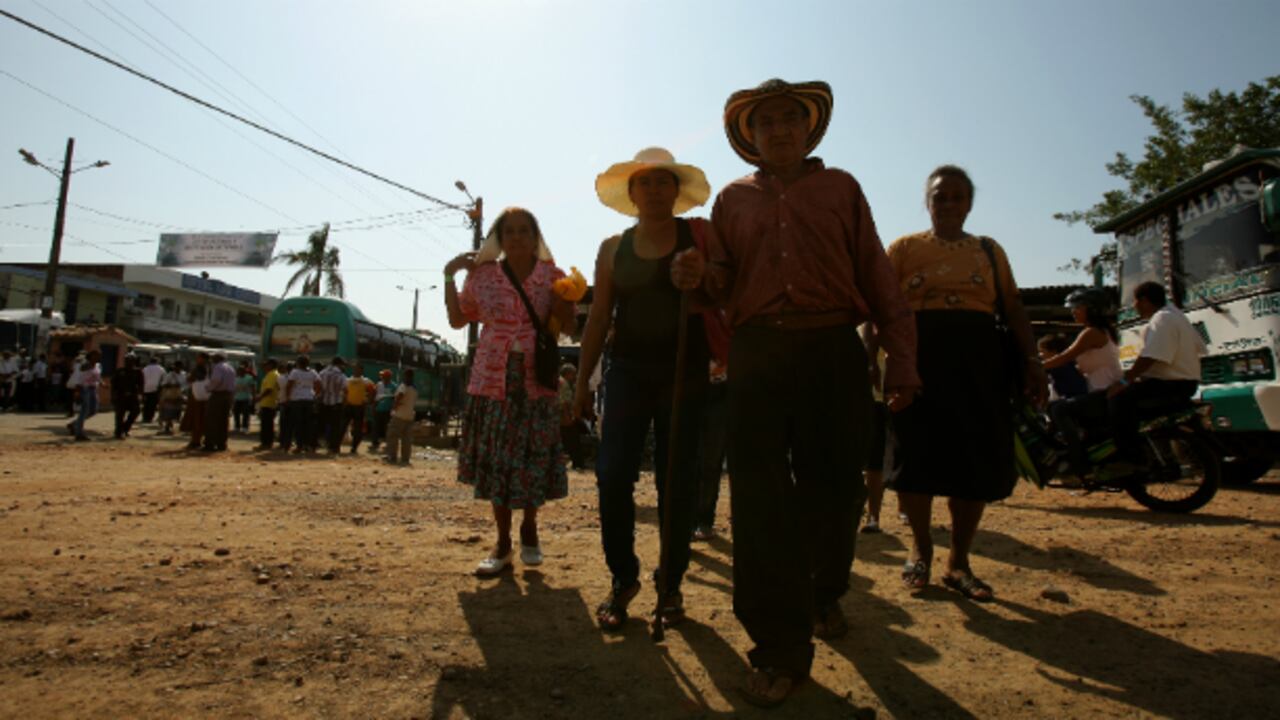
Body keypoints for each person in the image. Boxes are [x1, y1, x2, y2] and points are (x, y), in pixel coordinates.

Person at [700, 79, 920, 707]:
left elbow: (876, 273)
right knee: (760, 498)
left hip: (831, 348)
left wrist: (902, 361)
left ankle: (824, 591)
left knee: (836, 491)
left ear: (808, 127)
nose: (778, 129)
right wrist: (700, 274)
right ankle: (778, 645)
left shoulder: (842, 189)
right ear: (750, 136)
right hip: (758, 353)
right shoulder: (731, 199)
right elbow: (720, 284)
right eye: (765, 122)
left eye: (789, 118)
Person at [884, 165, 1048, 605]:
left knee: (973, 459)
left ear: (970, 204)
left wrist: (1032, 362)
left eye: (957, 197)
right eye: (940, 196)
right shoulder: (903, 248)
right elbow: (882, 306)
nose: (948, 204)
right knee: (914, 454)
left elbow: (1012, 306)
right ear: (927, 202)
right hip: (918, 360)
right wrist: (875, 362)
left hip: (979, 364)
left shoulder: (989, 251)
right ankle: (921, 549)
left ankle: (958, 562)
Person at [571, 147, 719, 630]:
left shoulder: (698, 237)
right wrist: (581, 384)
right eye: (645, 183)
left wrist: (703, 273)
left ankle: (670, 583)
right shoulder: (613, 248)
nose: (654, 190)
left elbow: (725, 286)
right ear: (631, 192)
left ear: (676, 191)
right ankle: (624, 578)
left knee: (677, 481)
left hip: (685, 371)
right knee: (612, 474)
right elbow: (598, 317)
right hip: (628, 372)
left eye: (663, 182)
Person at [444, 206, 575, 577]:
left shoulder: (554, 276)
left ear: (536, 237)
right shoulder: (482, 276)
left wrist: (566, 303)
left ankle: (529, 527)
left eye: (524, 230)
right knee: (498, 459)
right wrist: (449, 274)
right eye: (509, 231)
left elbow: (568, 327)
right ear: (499, 239)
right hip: (492, 379)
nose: (516, 237)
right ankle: (502, 543)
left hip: (536, 379)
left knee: (533, 455)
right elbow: (457, 319)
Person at [1105, 281, 1205, 469]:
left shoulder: (1162, 318)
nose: (1134, 306)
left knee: (1118, 400)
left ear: (1143, 300)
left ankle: (1130, 457)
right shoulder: (1176, 315)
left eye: (1134, 302)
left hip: (1171, 385)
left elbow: (1150, 356)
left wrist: (1124, 381)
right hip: (1185, 383)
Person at [1042, 288, 1123, 475]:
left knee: (1058, 409)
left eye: (1078, 307)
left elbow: (1065, 357)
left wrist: (1036, 367)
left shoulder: (1091, 333)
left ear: (1092, 309)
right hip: (1101, 389)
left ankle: (1077, 462)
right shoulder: (1104, 331)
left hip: (1103, 392)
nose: (1073, 311)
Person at [692, 358, 729, 541]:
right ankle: (689, 521)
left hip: (722, 388)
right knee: (691, 459)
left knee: (711, 461)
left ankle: (704, 520)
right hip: (691, 387)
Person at [283, 356, 321, 453]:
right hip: (309, 399)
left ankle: (299, 446)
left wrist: (287, 397)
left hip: (297, 400)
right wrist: (315, 395)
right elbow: (319, 384)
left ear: (298, 363)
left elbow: (289, 385)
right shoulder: (313, 372)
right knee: (308, 424)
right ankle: (308, 445)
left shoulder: (295, 372)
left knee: (298, 424)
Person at [1038, 334, 1089, 401]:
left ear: (1054, 352)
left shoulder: (1058, 367)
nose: (1039, 355)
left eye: (1042, 351)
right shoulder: (1069, 364)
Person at [383, 368, 418, 465]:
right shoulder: (414, 388)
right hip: (409, 415)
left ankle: (392, 456)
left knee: (392, 435)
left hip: (399, 415)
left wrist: (394, 407)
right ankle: (405, 459)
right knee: (406, 439)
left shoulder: (403, 386)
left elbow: (400, 396)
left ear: (406, 376)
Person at [203, 353, 236, 452]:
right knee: (223, 420)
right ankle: (221, 444)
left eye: (214, 358)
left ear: (217, 358)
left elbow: (216, 380)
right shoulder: (231, 368)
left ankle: (210, 443)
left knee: (212, 419)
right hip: (228, 395)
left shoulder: (218, 367)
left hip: (218, 395)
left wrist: (208, 388)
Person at [67, 350, 102, 441]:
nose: (97, 357)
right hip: (84, 389)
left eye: (98, 356)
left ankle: (74, 424)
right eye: (95, 356)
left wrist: (102, 383)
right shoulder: (85, 366)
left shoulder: (97, 366)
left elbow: (97, 377)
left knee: (93, 410)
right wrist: (77, 392)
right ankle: (79, 433)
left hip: (93, 389)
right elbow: (79, 379)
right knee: (84, 410)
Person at [557, 364, 586, 470]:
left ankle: (575, 462)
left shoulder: (563, 382)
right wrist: (567, 418)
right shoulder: (564, 384)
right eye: (573, 374)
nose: (575, 376)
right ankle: (578, 463)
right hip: (565, 417)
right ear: (567, 374)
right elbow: (564, 402)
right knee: (573, 441)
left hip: (563, 417)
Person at [342, 362, 375, 454]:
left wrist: (368, 401)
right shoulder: (348, 380)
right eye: (355, 368)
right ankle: (336, 446)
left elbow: (372, 390)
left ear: (361, 370)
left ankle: (354, 447)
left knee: (357, 429)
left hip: (359, 407)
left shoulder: (366, 381)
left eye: (358, 369)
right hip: (349, 406)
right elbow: (345, 392)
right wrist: (344, 403)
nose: (356, 370)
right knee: (343, 426)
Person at [318, 357, 348, 454]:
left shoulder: (322, 373)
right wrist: (344, 403)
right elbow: (345, 390)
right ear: (339, 364)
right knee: (336, 426)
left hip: (323, 402)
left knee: (321, 424)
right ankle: (334, 447)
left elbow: (318, 387)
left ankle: (314, 444)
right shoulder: (341, 375)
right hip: (336, 403)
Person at [111, 355, 144, 438]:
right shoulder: (119, 371)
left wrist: (141, 395)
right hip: (121, 396)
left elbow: (141, 384)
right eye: (127, 361)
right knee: (120, 415)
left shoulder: (137, 372)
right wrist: (113, 396)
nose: (129, 362)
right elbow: (114, 384)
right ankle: (118, 432)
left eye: (131, 361)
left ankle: (125, 428)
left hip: (133, 396)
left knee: (136, 411)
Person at [254, 359, 281, 450]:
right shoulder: (271, 374)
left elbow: (269, 389)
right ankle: (267, 443)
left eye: (266, 365)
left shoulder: (272, 374)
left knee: (266, 425)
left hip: (268, 403)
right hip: (268, 403)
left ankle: (266, 443)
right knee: (267, 424)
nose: (264, 366)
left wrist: (259, 397)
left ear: (271, 365)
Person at [182, 364, 210, 450]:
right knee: (196, 424)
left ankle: (202, 441)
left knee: (202, 424)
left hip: (204, 404)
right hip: (196, 404)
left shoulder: (207, 381)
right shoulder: (195, 381)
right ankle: (195, 441)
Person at [369, 369, 396, 453]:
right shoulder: (379, 384)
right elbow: (374, 395)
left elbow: (395, 398)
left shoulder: (394, 386)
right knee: (376, 426)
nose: (382, 377)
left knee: (387, 427)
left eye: (383, 376)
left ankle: (387, 443)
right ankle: (375, 442)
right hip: (378, 409)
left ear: (388, 377)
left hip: (387, 410)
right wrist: (373, 406)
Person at [157, 361, 185, 435]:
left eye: (179, 367)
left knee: (177, 411)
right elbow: (163, 384)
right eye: (176, 366)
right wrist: (172, 385)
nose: (178, 368)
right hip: (170, 395)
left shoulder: (183, 374)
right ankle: (167, 426)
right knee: (169, 410)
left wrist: (181, 388)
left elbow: (186, 384)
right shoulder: (169, 375)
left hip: (179, 394)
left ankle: (170, 425)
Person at [233, 364, 256, 434]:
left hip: (246, 398)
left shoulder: (249, 378)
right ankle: (237, 427)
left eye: (241, 370)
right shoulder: (236, 378)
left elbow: (253, 388)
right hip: (237, 398)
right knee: (236, 413)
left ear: (244, 371)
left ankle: (245, 427)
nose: (240, 372)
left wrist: (254, 397)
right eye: (239, 370)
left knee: (245, 413)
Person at [141, 356, 165, 423]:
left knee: (146, 404)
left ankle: (145, 417)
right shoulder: (161, 369)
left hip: (145, 389)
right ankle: (150, 417)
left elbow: (142, 378)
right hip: (155, 389)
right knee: (153, 404)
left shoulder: (145, 369)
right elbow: (163, 378)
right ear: (157, 361)